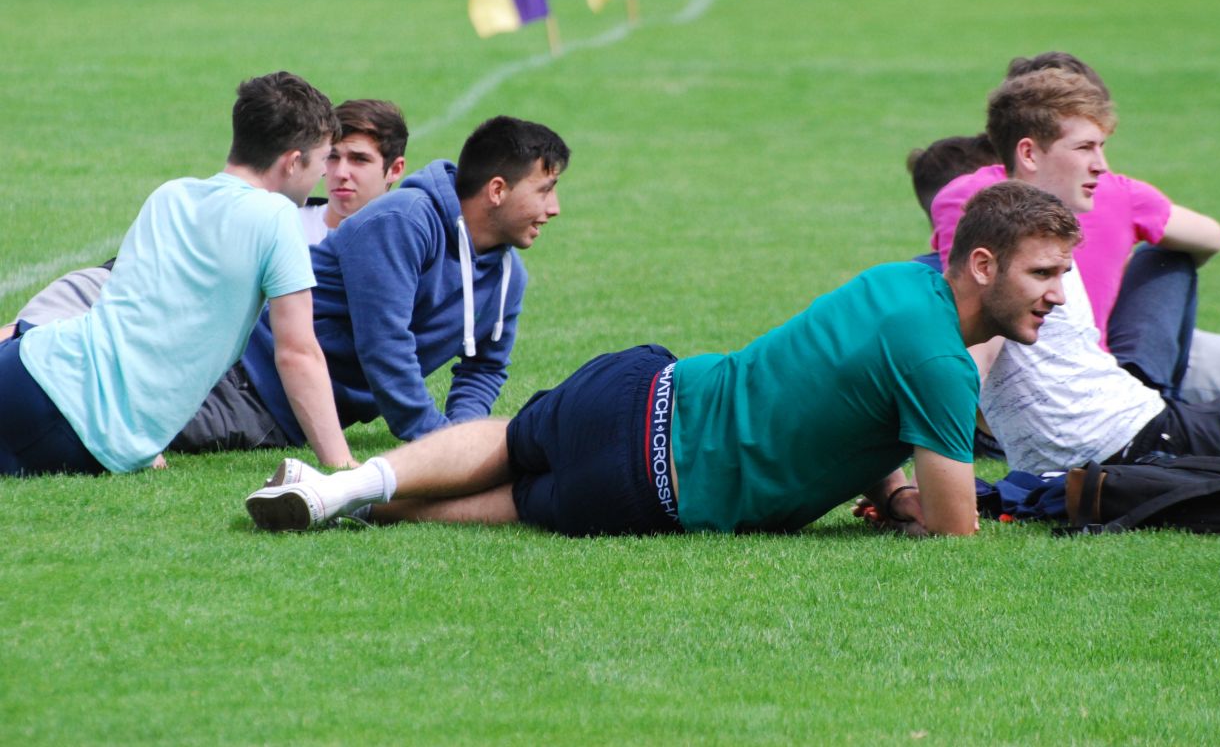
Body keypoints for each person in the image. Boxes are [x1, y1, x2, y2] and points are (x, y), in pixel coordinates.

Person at [242, 180, 1082, 537]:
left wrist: (889, 485)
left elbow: (847, 385)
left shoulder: (902, 283)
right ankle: (362, 511)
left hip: (644, 386)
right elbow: (955, 529)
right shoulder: (943, 362)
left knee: (513, 434)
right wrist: (917, 505)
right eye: (1043, 273)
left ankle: (338, 485)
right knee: (513, 500)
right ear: (982, 264)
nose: (1057, 294)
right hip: (656, 488)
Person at [0, 71, 353, 476]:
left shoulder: (171, 194)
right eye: (325, 159)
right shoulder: (276, 217)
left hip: (25, 366)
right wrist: (341, 466)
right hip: (69, 422)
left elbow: (131, 315)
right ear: (293, 162)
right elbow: (296, 352)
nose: (326, 173)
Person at [935, 68, 1220, 475]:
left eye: (1101, 148)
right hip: (1133, 442)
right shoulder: (1006, 251)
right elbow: (969, 362)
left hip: (1144, 417)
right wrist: (927, 478)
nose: (1101, 166)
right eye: (1085, 148)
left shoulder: (1042, 231)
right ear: (1029, 154)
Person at [170, 115, 569, 455]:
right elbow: (384, 345)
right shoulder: (404, 221)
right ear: (497, 190)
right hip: (240, 382)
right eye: (545, 191)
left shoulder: (508, 276)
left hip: (292, 417)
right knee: (123, 433)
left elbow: (484, 367)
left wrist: (459, 438)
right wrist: (434, 441)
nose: (554, 209)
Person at [0, 98, 407, 343]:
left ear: (395, 169)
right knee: (29, 325)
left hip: (166, 327)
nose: (339, 173)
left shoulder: (385, 259)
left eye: (359, 160)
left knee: (37, 345)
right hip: (130, 287)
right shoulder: (280, 211)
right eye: (331, 158)